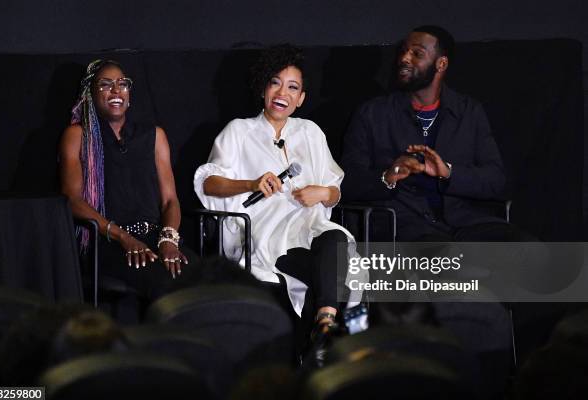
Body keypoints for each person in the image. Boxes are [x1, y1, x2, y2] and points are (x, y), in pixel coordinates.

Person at [194, 45, 365, 336]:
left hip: (309, 228)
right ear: (263, 89)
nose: (282, 93)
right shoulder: (239, 130)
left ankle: (324, 324)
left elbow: (335, 190)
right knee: (335, 273)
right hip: (265, 231)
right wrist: (250, 183)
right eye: (275, 83)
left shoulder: (310, 132)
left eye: (292, 87)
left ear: (300, 99)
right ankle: (324, 339)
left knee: (335, 237)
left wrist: (323, 193)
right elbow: (208, 182)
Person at [341, 25, 530, 242]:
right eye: (404, 51)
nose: (404, 58)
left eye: (417, 53)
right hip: (403, 226)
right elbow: (347, 183)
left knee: (531, 253)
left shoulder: (468, 112)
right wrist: (388, 175)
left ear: (441, 64)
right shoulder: (373, 114)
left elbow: (496, 181)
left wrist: (448, 173)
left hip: (464, 222)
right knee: (445, 263)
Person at [59, 59, 191, 302]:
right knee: (166, 286)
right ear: (90, 93)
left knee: (204, 280)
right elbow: (72, 199)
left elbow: (170, 200)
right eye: (106, 84)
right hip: (108, 243)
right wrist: (124, 238)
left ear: (129, 94)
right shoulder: (78, 135)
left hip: (156, 236)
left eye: (122, 84)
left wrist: (169, 239)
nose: (116, 90)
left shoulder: (154, 136)